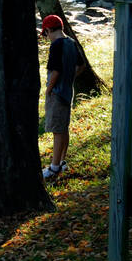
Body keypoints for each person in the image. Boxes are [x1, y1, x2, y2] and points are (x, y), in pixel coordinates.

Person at [40, 14, 86, 180]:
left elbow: (55, 71)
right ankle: (61, 161)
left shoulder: (56, 45)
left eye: (45, 34)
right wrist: (70, 77)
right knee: (63, 127)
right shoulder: (71, 43)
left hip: (57, 93)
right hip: (68, 91)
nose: (46, 38)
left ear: (50, 30)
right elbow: (81, 65)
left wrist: (48, 89)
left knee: (57, 131)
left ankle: (54, 167)